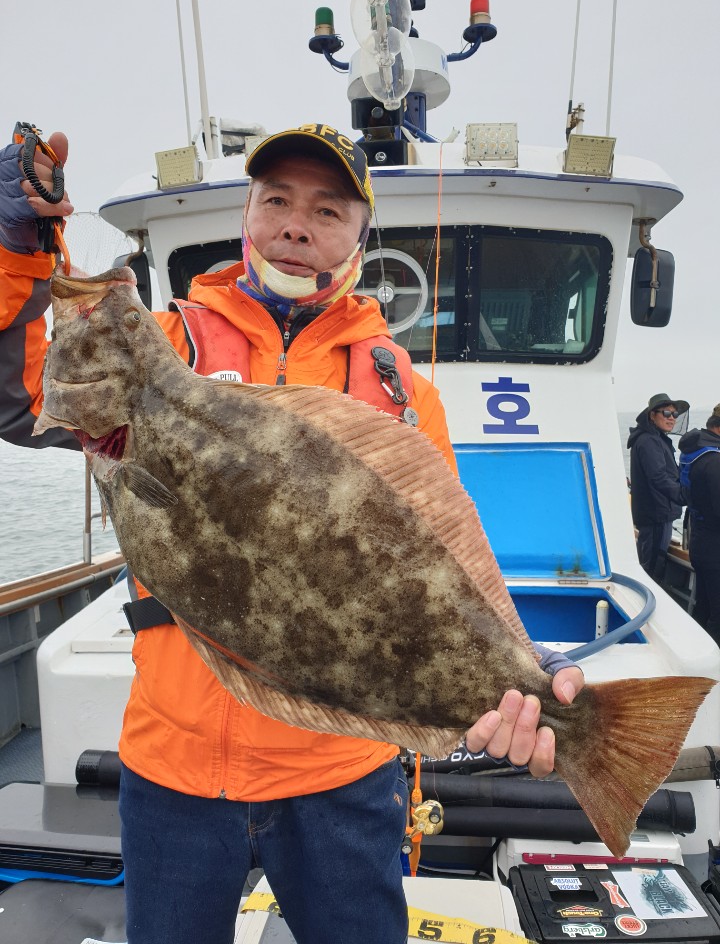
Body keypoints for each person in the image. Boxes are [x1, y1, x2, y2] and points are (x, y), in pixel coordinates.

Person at [0, 124, 584, 944]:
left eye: (327, 209)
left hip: (342, 777)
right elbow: (24, 399)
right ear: (249, 213)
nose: (296, 223)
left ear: (359, 236)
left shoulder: (404, 394)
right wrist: (22, 248)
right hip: (175, 766)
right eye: (276, 199)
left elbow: (451, 568)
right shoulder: (169, 345)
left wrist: (528, 667)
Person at [627, 392, 688, 582]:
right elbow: (659, 477)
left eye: (675, 415)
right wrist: (685, 496)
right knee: (652, 568)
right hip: (656, 515)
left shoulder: (655, 438)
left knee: (652, 564)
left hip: (657, 514)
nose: (672, 419)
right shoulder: (649, 441)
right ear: (652, 415)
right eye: (667, 414)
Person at [678, 406, 720, 644]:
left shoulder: (694, 454)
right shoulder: (714, 460)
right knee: (717, 612)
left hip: (700, 541)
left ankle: (695, 647)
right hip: (715, 548)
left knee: (703, 604)